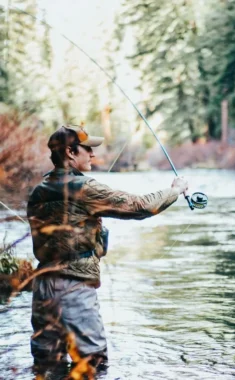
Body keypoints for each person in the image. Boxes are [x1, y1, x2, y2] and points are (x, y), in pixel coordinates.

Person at [27, 125, 188, 372]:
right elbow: (139, 207)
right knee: (92, 365)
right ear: (70, 152)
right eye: (88, 149)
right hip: (74, 287)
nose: (92, 154)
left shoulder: (38, 191)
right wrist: (175, 190)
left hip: (42, 288)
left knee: (46, 367)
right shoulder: (85, 188)